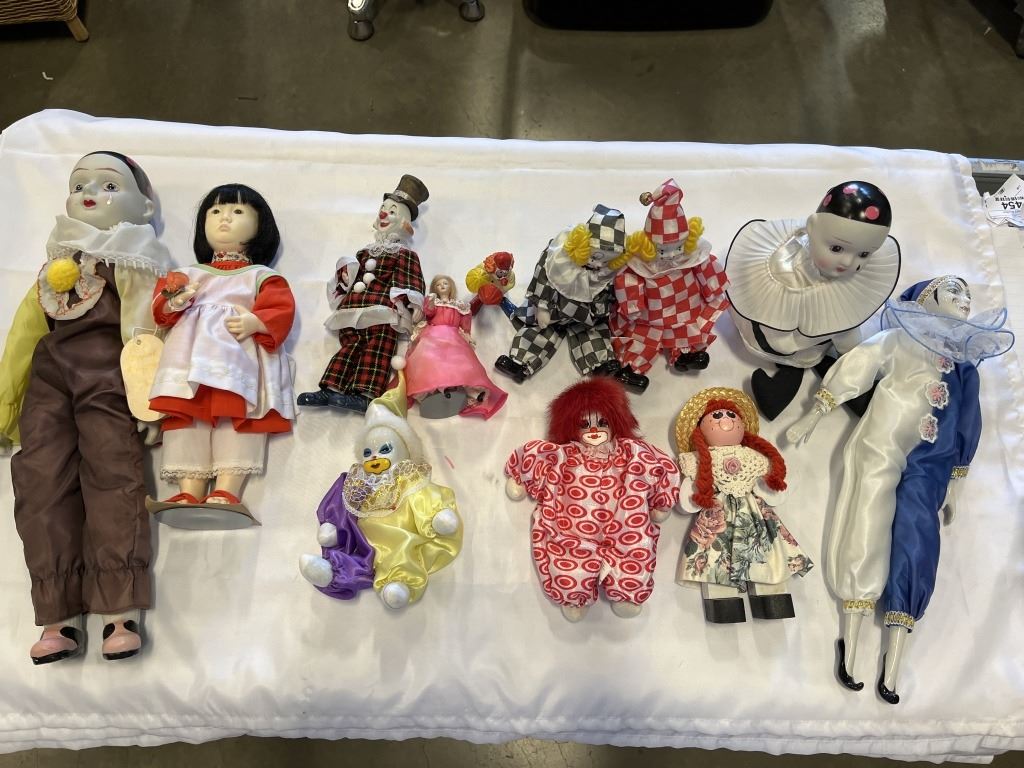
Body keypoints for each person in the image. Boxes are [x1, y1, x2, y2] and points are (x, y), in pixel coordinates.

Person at [787, 276, 1013, 703]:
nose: (964, 300)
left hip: (932, 459)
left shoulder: (964, 365)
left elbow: (969, 421)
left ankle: (893, 663)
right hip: (882, 441)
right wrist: (817, 411)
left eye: (968, 294)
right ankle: (851, 640)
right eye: (953, 291)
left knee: (918, 537)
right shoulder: (899, 339)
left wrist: (957, 480)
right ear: (924, 297)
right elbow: (860, 365)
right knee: (866, 513)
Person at [3, 151, 170, 663]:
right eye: (79, 185)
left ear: (145, 208)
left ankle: (119, 608)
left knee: (112, 477)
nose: (90, 193)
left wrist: (152, 400)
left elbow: (151, 329)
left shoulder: (141, 264)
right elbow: (23, 337)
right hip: (49, 381)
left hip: (109, 379)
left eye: (109, 185)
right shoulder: (54, 268)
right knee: (39, 481)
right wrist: (5, 407)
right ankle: (57, 615)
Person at [148, 184, 294, 527]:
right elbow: (160, 309)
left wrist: (257, 321)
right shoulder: (188, 275)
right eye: (215, 212)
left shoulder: (261, 276)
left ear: (261, 226)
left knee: (236, 416)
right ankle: (189, 487)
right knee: (187, 417)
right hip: (188, 362)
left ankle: (228, 488)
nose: (224, 218)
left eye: (237, 211)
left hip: (237, 359)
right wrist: (174, 302)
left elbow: (280, 309)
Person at [504, 377, 679, 622]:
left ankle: (628, 593)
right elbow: (536, 457)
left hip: (626, 524)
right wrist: (520, 478)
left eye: (603, 422)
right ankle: (573, 595)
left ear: (617, 422)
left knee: (635, 549)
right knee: (565, 555)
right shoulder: (563, 456)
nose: (594, 430)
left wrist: (661, 500)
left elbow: (658, 467)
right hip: (571, 526)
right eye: (585, 424)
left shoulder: (633, 453)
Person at [725, 180, 901, 420]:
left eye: (864, 254)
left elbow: (844, 323)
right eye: (837, 249)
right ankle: (806, 370)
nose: (848, 262)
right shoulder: (787, 272)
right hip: (780, 325)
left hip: (821, 327)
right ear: (812, 228)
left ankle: (849, 378)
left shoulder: (849, 276)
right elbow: (832, 328)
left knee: (843, 326)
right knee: (796, 340)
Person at [674, 388, 812, 624]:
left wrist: (773, 486)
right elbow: (689, 495)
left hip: (754, 515)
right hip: (717, 515)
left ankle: (772, 599)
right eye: (717, 416)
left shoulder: (753, 457)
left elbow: (769, 487)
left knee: (766, 553)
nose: (725, 420)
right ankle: (723, 604)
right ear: (700, 429)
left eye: (731, 415)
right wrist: (691, 497)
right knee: (716, 557)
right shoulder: (698, 459)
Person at [297, 175, 427, 414]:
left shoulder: (404, 254)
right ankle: (332, 388)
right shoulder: (365, 251)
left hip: (383, 310)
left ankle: (365, 394)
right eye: (383, 209)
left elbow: (410, 279)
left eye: (392, 211)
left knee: (377, 349)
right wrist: (346, 274)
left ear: (405, 224)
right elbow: (354, 276)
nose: (384, 214)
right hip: (354, 308)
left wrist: (410, 302)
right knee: (349, 346)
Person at [494, 205, 642, 383]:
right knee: (539, 330)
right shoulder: (558, 256)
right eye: (595, 256)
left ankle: (605, 366)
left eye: (606, 260)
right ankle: (519, 363)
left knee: (594, 333)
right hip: (555, 309)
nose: (597, 264)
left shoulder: (607, 271)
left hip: (586, 315)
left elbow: (612, 291)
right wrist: (542, 306)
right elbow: (542, 277)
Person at [611, 179, 730, 392]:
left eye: (678, 247)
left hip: (685, 309)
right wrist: (633, 306)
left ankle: (685, 355)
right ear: (650, 244)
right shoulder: (640, 264)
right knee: (644, 340)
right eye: (663, 250)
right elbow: (629, 281)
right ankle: (630, 370)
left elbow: (706, 266)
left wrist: (713, 288)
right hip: (651, 317)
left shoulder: (693, 255)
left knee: (685, 332)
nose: (672, 255)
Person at [403, 274, 507, 419]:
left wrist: (467, 336)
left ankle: (473, 392)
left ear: (451, 286)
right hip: (433, 335)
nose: (442, 286)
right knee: (428, 362)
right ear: (434, 288)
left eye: (445, 283)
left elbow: (465, 324)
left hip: (454, 337)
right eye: (438, 284)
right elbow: (429, 313)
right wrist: (430, 301)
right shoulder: (434, 302)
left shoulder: (460, 306)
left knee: (463, 364)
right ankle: (428, 393)